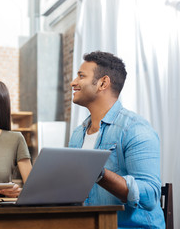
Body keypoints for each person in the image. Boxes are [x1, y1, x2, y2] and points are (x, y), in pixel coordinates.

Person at [69, 51, 165, 228]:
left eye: (81, 76)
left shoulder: (135, 129)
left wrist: (99, 173)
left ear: (103, 83)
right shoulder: (77, 134)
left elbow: (150, 196)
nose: (73, 82)